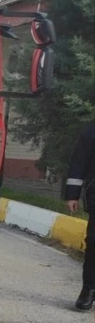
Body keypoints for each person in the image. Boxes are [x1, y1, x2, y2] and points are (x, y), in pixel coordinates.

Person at [64, 121, 95, 311]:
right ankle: (88, 289)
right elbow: (79, 161)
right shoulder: (92, 130)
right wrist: (72, 194)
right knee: (94, 243)